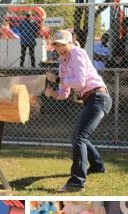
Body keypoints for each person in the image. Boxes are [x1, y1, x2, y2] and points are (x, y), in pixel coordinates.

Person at [44, 30, 112, 192]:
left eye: (62, 44)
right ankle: (97, 166)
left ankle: (76, 181)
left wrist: (59, 80)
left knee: (79, 138)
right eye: (56, 45)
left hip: (99, 97)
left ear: (70, 42)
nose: (60, 48)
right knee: (79, 137)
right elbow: (64, 93)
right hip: (90, 100)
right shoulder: (62, 64)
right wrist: (53, 93)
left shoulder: (77, 53)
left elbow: (80, 82)